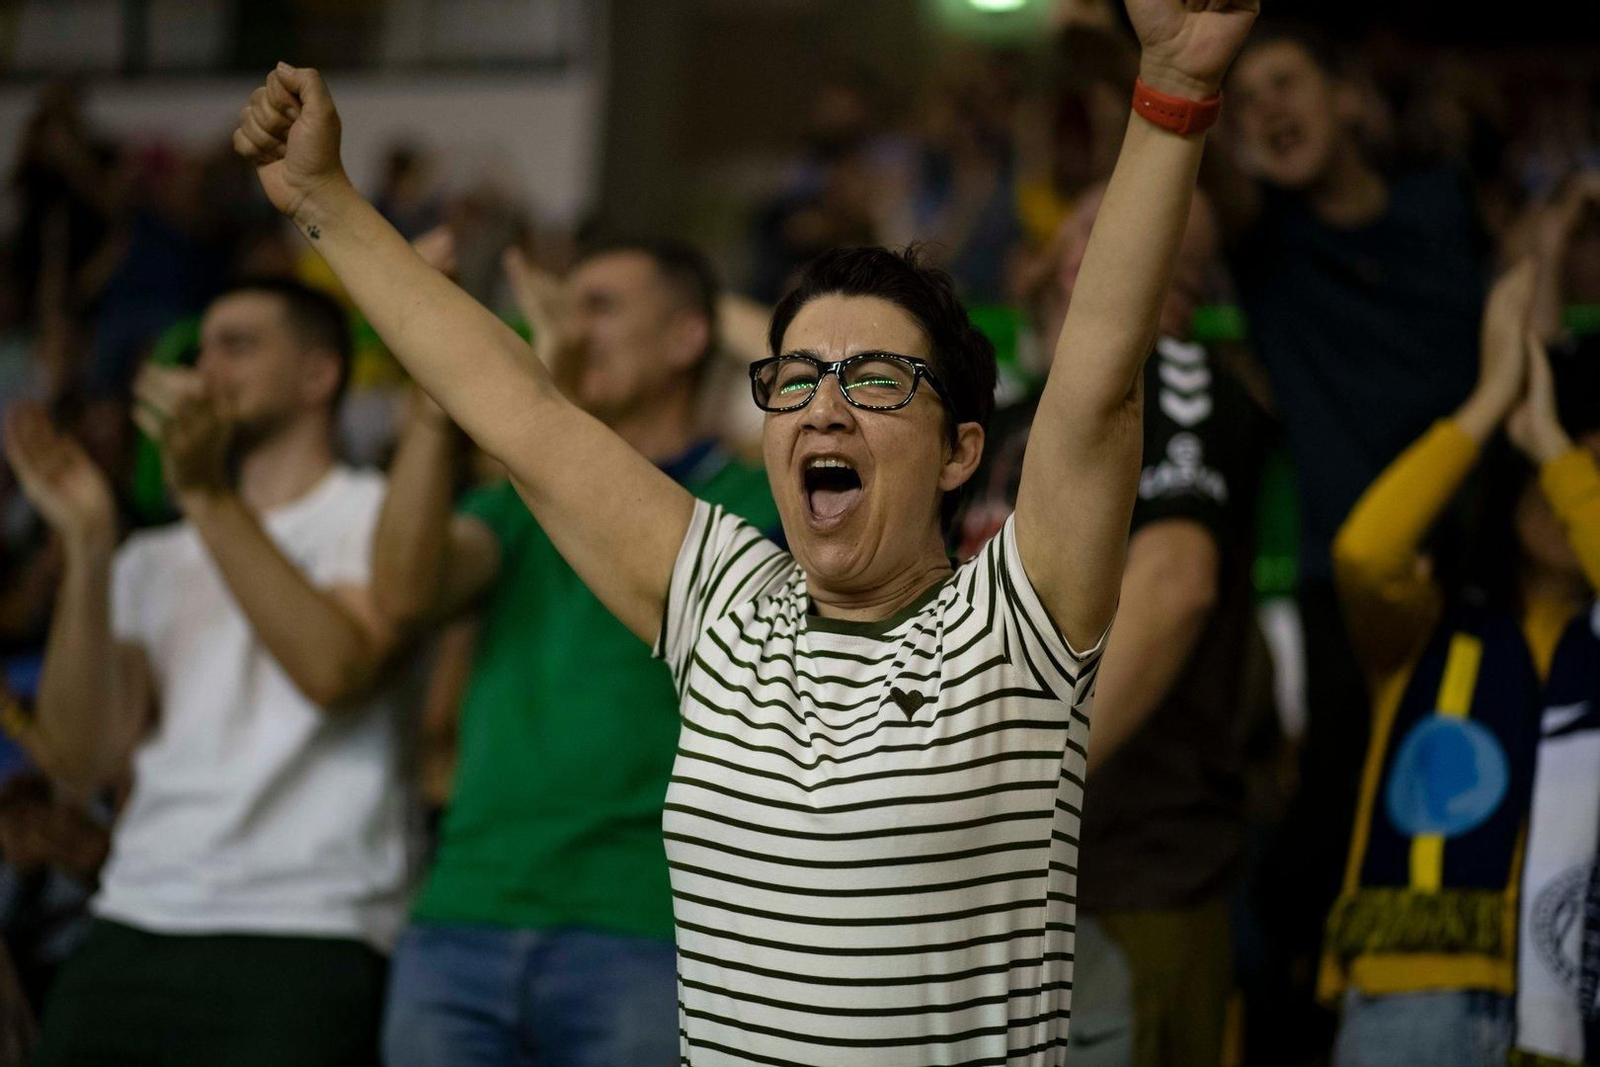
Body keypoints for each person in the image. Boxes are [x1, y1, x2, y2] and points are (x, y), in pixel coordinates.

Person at [232, 0, 1257, 1054]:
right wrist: (324, 201)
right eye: (796, 378)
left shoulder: (1015, 627)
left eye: (872, 378)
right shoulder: (725, 605)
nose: (822, 405)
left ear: (959, 450)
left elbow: (1094, 390)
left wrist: (1171, 87)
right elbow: (519, 411)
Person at [374, 239, 779, 1066]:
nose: (564, 324)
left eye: (601, 305)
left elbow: (833, 374)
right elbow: (403, 594)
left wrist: (724, 308)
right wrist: (437, 397)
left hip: (648, 925)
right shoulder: (518, 505)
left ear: (686, 338)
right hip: (464, 914)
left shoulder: (748, 497)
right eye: (563, 306)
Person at [4, 278, 413, 1067]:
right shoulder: (152, 555)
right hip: (134, 915)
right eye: (202, 349)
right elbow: (83, 755)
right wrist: (89, 550)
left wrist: (206, 493)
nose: (207, 368)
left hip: (310, 927)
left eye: (240, 344)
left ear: (320, 375)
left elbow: (335, 672)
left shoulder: (380, 515)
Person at [1211, 26, 1491, 1053]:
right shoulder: (1264, 238)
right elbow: (1206, 168)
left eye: (1282, 85)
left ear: (1345, 99)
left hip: (1479, 557)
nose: (1264, 115)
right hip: (1344, 579)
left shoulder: (1444, 202)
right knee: (1336, 814)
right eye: (1241, 109)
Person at [956, 183, 1264, 1067]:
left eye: (1163, 235)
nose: (1132, 240)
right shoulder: (1006, 419)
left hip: (1127, 881)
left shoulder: (1173, 371)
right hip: (989, 897)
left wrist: (1010, 796)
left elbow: (1175, 585)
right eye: (1104, 221)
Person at [1317, 260, 1600, 1067]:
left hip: (1572, 1006)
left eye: (1591, 471)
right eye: (1550, 465)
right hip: (1414, 996)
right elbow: (1365, 554)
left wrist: (1552, 444)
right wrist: (1493, 398)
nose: (1563, 488)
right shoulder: (1429, 628)